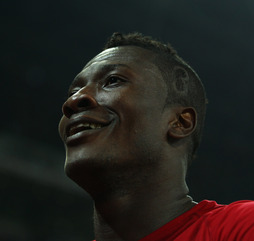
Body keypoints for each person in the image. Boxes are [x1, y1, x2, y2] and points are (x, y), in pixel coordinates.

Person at [58, 32, 254, 241]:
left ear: (180, 122)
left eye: (113, 80)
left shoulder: (241, 227)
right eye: (73, 92)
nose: (74, 101)